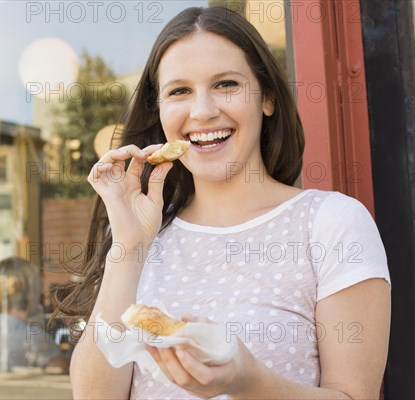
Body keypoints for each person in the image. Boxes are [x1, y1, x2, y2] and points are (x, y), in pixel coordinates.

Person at [53, 6, 391, 399]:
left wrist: (249, 382)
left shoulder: (331, 223)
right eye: (179, 91)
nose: (203, 111)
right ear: (160, 111)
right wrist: (128, 248)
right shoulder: (141, 235)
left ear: (267, 98)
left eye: (226, 84)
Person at [0, 257, 59, 371]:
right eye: (38, 287)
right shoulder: (35, 338)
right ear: (30, 292)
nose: (41, 293)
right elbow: (65, 370)